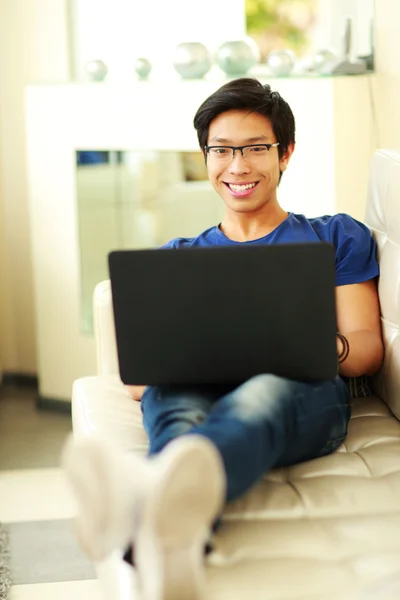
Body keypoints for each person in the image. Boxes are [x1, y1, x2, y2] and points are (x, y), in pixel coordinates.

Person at [62, 78, 384, 600]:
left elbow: (366, 347)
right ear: (206, 157)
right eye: (223, 150)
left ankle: (135, 500)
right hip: (201, 389)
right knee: (174, 398)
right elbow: (140, 382)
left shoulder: (334, 237)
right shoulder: (178, 258)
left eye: (256, 148)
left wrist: (298, 342)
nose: (238, 166)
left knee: (262, 393)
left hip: (300, 390)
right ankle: (166, 536)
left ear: (286, 154)